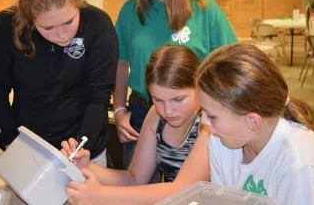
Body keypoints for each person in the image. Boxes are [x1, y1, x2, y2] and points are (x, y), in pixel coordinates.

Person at [112, 0, 237, 171]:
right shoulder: (130, 10)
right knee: (135, 191)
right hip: (140, 113)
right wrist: (119, 110)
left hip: (194, 118)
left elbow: (231, 65)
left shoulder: (204, 9)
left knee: (188, 192)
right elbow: (121, 63)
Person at [0, 0, 118, 167]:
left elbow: (98, 96)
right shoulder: (6, 26)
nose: (62, 34)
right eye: (47, 27)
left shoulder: (97, 24)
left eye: (69, 22)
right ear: (29, 18)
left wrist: (81, 147)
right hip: (29, 145)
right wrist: (10, 140)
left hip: (84, 142)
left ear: (77, 4)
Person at [196, 43, 314, 204]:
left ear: (253, 121)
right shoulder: (220, 141)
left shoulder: (299, 164)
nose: (202, 120)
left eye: (211, 116)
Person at [61, 45, 209, 204]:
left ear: (198, 85)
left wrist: (102, 195)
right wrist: (87, 167)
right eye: (158, 100)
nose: (167, 111)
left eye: (178, 99)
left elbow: (183, 190)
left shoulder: (209, 123)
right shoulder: (156, 115)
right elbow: (134, 179)